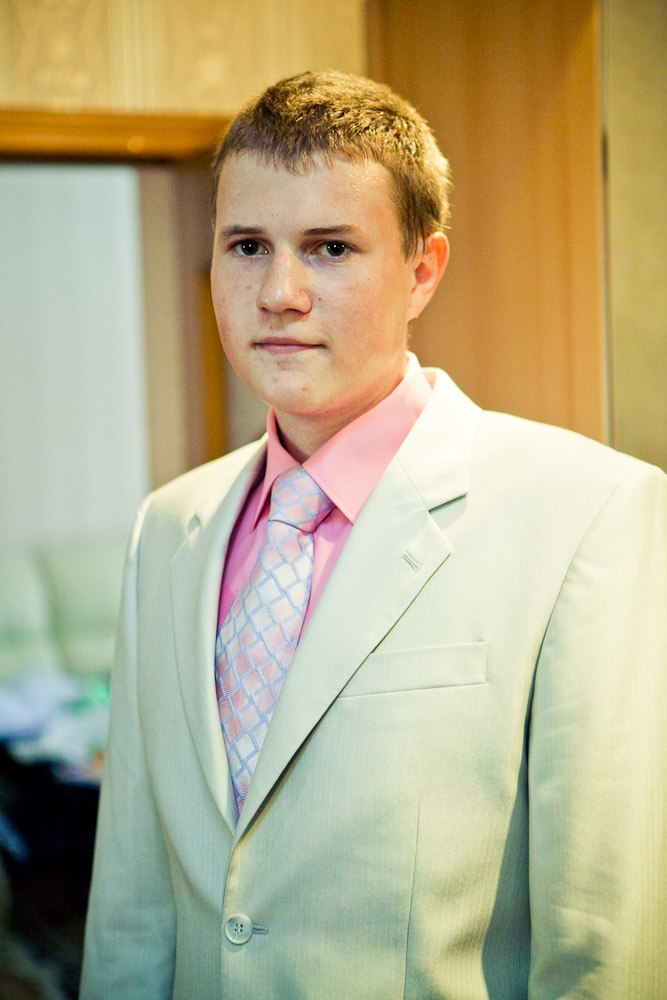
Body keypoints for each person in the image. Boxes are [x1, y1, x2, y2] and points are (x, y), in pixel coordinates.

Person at [79, 70, 666, 1000]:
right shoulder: (169, 526)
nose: (279, 292)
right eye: (247, 246)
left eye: (329, 248)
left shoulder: (585, 513)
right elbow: (132, 906)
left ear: (421, 270)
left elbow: (603, 939)